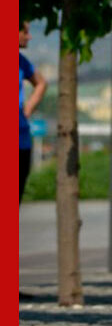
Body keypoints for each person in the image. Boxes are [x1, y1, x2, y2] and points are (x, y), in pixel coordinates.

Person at [19, 20, 47, 202]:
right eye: (25, 32)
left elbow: (41, 83)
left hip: (21, 141)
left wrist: (28, 108)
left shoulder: (21, 61)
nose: (29, 36)